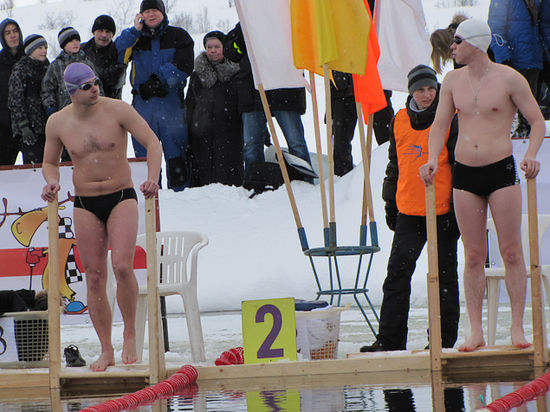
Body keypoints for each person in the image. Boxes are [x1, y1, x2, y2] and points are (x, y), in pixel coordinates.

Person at [420, 19, 545, 352]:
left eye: (458, 41)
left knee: (511, 252)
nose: (453, 47)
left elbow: (536, 121)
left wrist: (531, 154)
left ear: (475, 42)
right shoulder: (451, 80)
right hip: (465, 174)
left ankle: (517, 328)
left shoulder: (509, 79)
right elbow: (439, 125)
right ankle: (475, 330)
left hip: (500, 171)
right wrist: (433, 158)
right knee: (473, 255)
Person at [40, 62, 162, 371]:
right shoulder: (58, 122)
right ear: (72, 92)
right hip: (84, 203)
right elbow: (50, 162)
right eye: (86, 86)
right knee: (93, 276)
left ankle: (131, 333)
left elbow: (153, 143)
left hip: (121, 195)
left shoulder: (117, 110)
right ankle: (106, 349)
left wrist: (152, 177)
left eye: (95, 82)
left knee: (122, 265)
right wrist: (51, 181)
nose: (94, 88)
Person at [360, 65, 460, 352]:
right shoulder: (399, 120)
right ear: (411, 91)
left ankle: (442, 342)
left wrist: (455, 208)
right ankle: (389, 340)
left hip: (442, 212)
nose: (427, 94)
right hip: (409, 212)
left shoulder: (450, 118)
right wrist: (390, 202)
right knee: (396, 276)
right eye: (421, 89)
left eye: (431, 88)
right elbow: (395, 165)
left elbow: (457, 165)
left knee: (443, 279)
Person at [115, 0, 194, 191]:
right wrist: (134, 30)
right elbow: (118, 54)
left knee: (176, 150)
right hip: (143, 104)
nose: (151, 15)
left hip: (171, 102)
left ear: (163, 13)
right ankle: (149, 193)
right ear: (141, 15)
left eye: (155, 11)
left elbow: (185, 64)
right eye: (147, 11)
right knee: (145, 152)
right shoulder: (136, 37)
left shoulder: (179, 35)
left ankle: (180, 193)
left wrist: (160, 80)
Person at [223, 22, 313, 181]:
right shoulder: (245, 22)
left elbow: (304, 44)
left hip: (285, 90)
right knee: (252, 146)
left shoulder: (284, 18)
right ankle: (254, 182)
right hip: (253, 93)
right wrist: (244, 35)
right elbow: (231, 52)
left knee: (296, 142)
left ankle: (305, 183)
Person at [185, 30, 242, 187]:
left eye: (217, 46)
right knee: (203, 175)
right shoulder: (197, 75)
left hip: (230, 130)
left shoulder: (236, 72)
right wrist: (188, 131)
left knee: (229, 175)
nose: (213, 50)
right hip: (201, 131)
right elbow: (190, 104)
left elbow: (242, 103)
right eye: (209, 47)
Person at [41, 26, 102, 162]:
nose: (75, 43)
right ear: (63, 46)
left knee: (92, 153)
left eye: (77, 40)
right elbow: (47, 90)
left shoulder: (87, 63)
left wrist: (100, 105)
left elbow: (98, 86)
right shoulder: (56, 66)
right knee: (69, 155)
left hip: (90, 117)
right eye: (70, 41)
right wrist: (51, 109)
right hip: (67, 118)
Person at [488, 0, 544, 136]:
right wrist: (504, 58)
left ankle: (530, 146)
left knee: (530, 115)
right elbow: (495, 31)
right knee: (510, 113)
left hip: (533, 62)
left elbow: (540, 30)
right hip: (514, 63)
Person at [8, 34, 50, 165]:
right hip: (29, 128)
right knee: (33, 167)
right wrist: (23, 125)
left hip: (46, 126)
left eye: (45, 47)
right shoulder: (20, 69)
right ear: (30, 50)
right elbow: (15, 99)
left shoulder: (48, 68)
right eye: (40, 48)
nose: (44, 51)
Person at [81, 14, 126, 99]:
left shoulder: (118, 53)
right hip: (85, 104)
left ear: (112, 35)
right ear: (94, 32)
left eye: (107, 31)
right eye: (100, 31)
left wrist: (90, 72)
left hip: (110, 105)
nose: (104, 35)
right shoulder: (81, 50)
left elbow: (114, 81)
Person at [0, 18, 24, 165]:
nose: (13, 35)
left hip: (29, 126)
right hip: (4, 128)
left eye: (15, 31)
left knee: (36, 169)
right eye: (8, 33)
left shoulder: (30, 57)